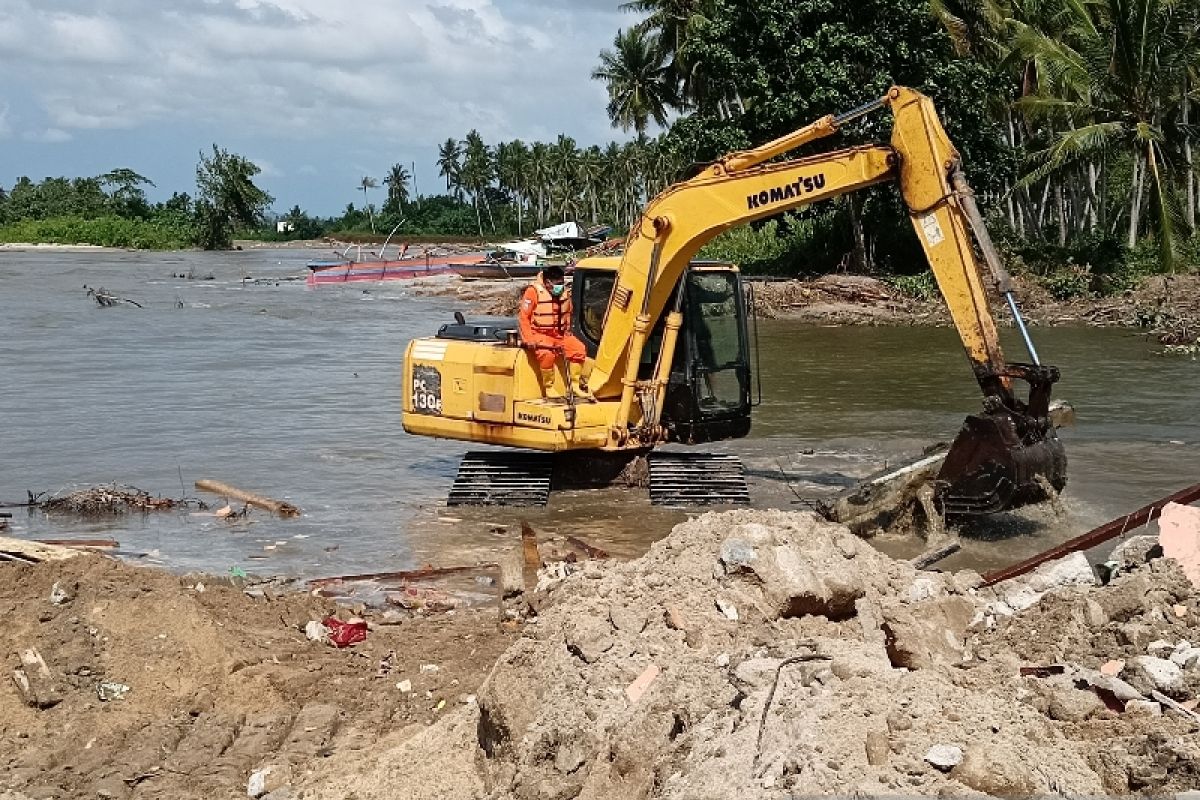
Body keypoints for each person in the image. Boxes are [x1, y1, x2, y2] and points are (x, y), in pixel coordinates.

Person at [518, 265, 594, 401]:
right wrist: (528, 339)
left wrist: (568, 330)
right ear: (547, 283)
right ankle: (549, 387)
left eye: (562, 282)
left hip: (560, 334)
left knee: (578, 349)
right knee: (546, 354)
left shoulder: (564, 293)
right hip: (540, 333)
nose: (561, 286)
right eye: (558, 283)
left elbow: (568, 312)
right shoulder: (533, 292)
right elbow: (524, 317)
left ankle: (575, 386)